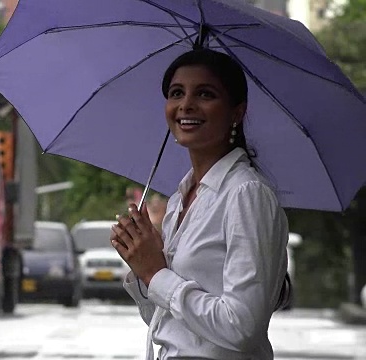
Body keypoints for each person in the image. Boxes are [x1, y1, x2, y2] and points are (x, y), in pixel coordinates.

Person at [110, 48, 291, 360]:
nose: (186, 105)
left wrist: (157, 274)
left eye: (205, 94)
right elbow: (167, 322)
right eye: (176, 93)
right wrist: (141, 264)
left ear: (236, 112)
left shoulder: (246, 194)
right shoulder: (181, 199)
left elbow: (242, 328)